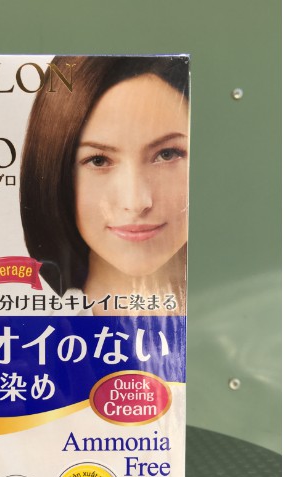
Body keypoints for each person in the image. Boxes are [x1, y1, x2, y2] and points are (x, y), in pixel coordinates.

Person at [20, 55, 189, 316]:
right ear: (56, 174)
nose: (136, 202)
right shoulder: (20, 338)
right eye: (98, 160)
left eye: (167, 154)